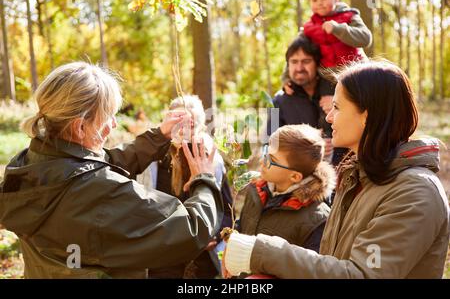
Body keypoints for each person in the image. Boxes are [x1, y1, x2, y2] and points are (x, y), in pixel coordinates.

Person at [223, 60, 450, 278]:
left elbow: (362, 274)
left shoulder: (414, 193)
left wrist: (261, 252)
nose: (329, 117)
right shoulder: (358, 177)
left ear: (366, 115)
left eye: (337, 107)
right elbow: (331, 262)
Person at [0, 62, 224, 278]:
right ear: (80, 127)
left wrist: (158, 136)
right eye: (108, 116)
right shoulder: (101, 192)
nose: (115, 124)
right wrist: (203, 179)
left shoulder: (29, 165)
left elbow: (99, 164)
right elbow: (191, 230)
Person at [139, 95, 233, 278]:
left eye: (191, 124)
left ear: (202, 127)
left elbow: (227, 210)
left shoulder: (211, 161)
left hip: (200, 258)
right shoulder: (153, 159)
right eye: (178, 122)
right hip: (164, 253)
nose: (183, 130)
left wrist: (214, 235)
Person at [237, 125, 335, 258]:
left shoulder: (316, 219)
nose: (262, 160)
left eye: (272, 160)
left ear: (295, 176)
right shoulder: (256, 189)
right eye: (266, 151)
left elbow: (309, 269)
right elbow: (244, 225)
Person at [268, 34, 345, 167]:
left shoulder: (338, 92)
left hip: (342, 173)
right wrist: (306, 149)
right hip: (300, 178)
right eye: (294, 62)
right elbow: (268, 145)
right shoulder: (277, 101)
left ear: (317, 64)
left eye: (306, 61)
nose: (299, 68)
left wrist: (340, 104)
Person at [303, 0, 372, 68]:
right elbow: (295, 52)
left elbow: (366, 39)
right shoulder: (309, 27)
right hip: (327, 76)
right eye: (314, 0)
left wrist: (337, 29)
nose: (319, 3)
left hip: (355, 70)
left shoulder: (349, 16)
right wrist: (287, 78)